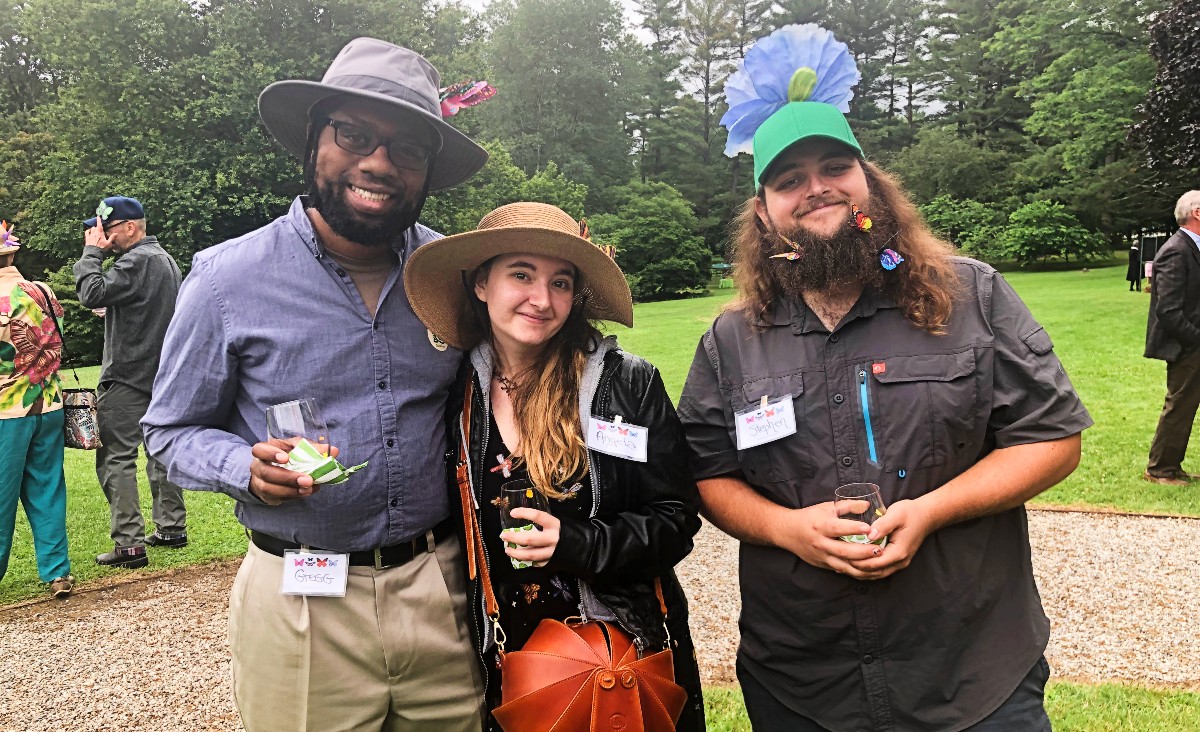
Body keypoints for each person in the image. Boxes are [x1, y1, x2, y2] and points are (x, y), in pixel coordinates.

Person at [676, 25, 1091, 731]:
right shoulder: (733, 339)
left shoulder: (968, 295)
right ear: (765, 213)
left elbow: (1052, 439)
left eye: (835, 167)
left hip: (971, 672)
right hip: (803, 680)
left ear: (869, 183)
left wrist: (931, 511)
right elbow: (709, 473)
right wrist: (785, 528)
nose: (816, 189)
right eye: (788, 180)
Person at [142, 38, 491, 731]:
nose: (379, 163)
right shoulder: (225, 280)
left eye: (406, 149)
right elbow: (167, 430)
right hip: (299, 599)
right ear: (313, 139)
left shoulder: (453, 275)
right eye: (353, 134)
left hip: (442, 587)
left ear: (427, 170)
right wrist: (241, 466)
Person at [403, 201, 705, 731]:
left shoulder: (626, 385)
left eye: (560, 282)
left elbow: (675, 519)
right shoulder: (456, 394)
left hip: (616, 654)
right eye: (522, 275)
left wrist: (576, 544)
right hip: (509, 651)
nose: (542, 300)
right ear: (481, 284)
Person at [72, 195, 185, 568]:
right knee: (160, 452)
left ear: (130, 227)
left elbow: (89, 293)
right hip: (162, 376)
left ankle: (129, 544)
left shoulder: (136, 261)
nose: (102, 237)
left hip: (128, 377)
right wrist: (115, 308)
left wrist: (92, 253)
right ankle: (171, 528)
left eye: (106, 230)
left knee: (115, 457)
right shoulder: (163, 260)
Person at [0, 222, 73, 598]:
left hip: (6, 413)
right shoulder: (41, 290)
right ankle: (58, 572)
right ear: (12, 254)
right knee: (48, 488)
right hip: (48, 404)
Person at [1143, 190, 1200, 486]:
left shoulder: (1191, 248)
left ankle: (1171, 466)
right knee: (1179, 406)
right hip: (1187, 347)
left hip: (1191, 343)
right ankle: (1160, 469)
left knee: (1185, 406)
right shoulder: (1177, 250)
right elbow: (1167, 310)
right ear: (1197, 213)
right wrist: (1195, 340)